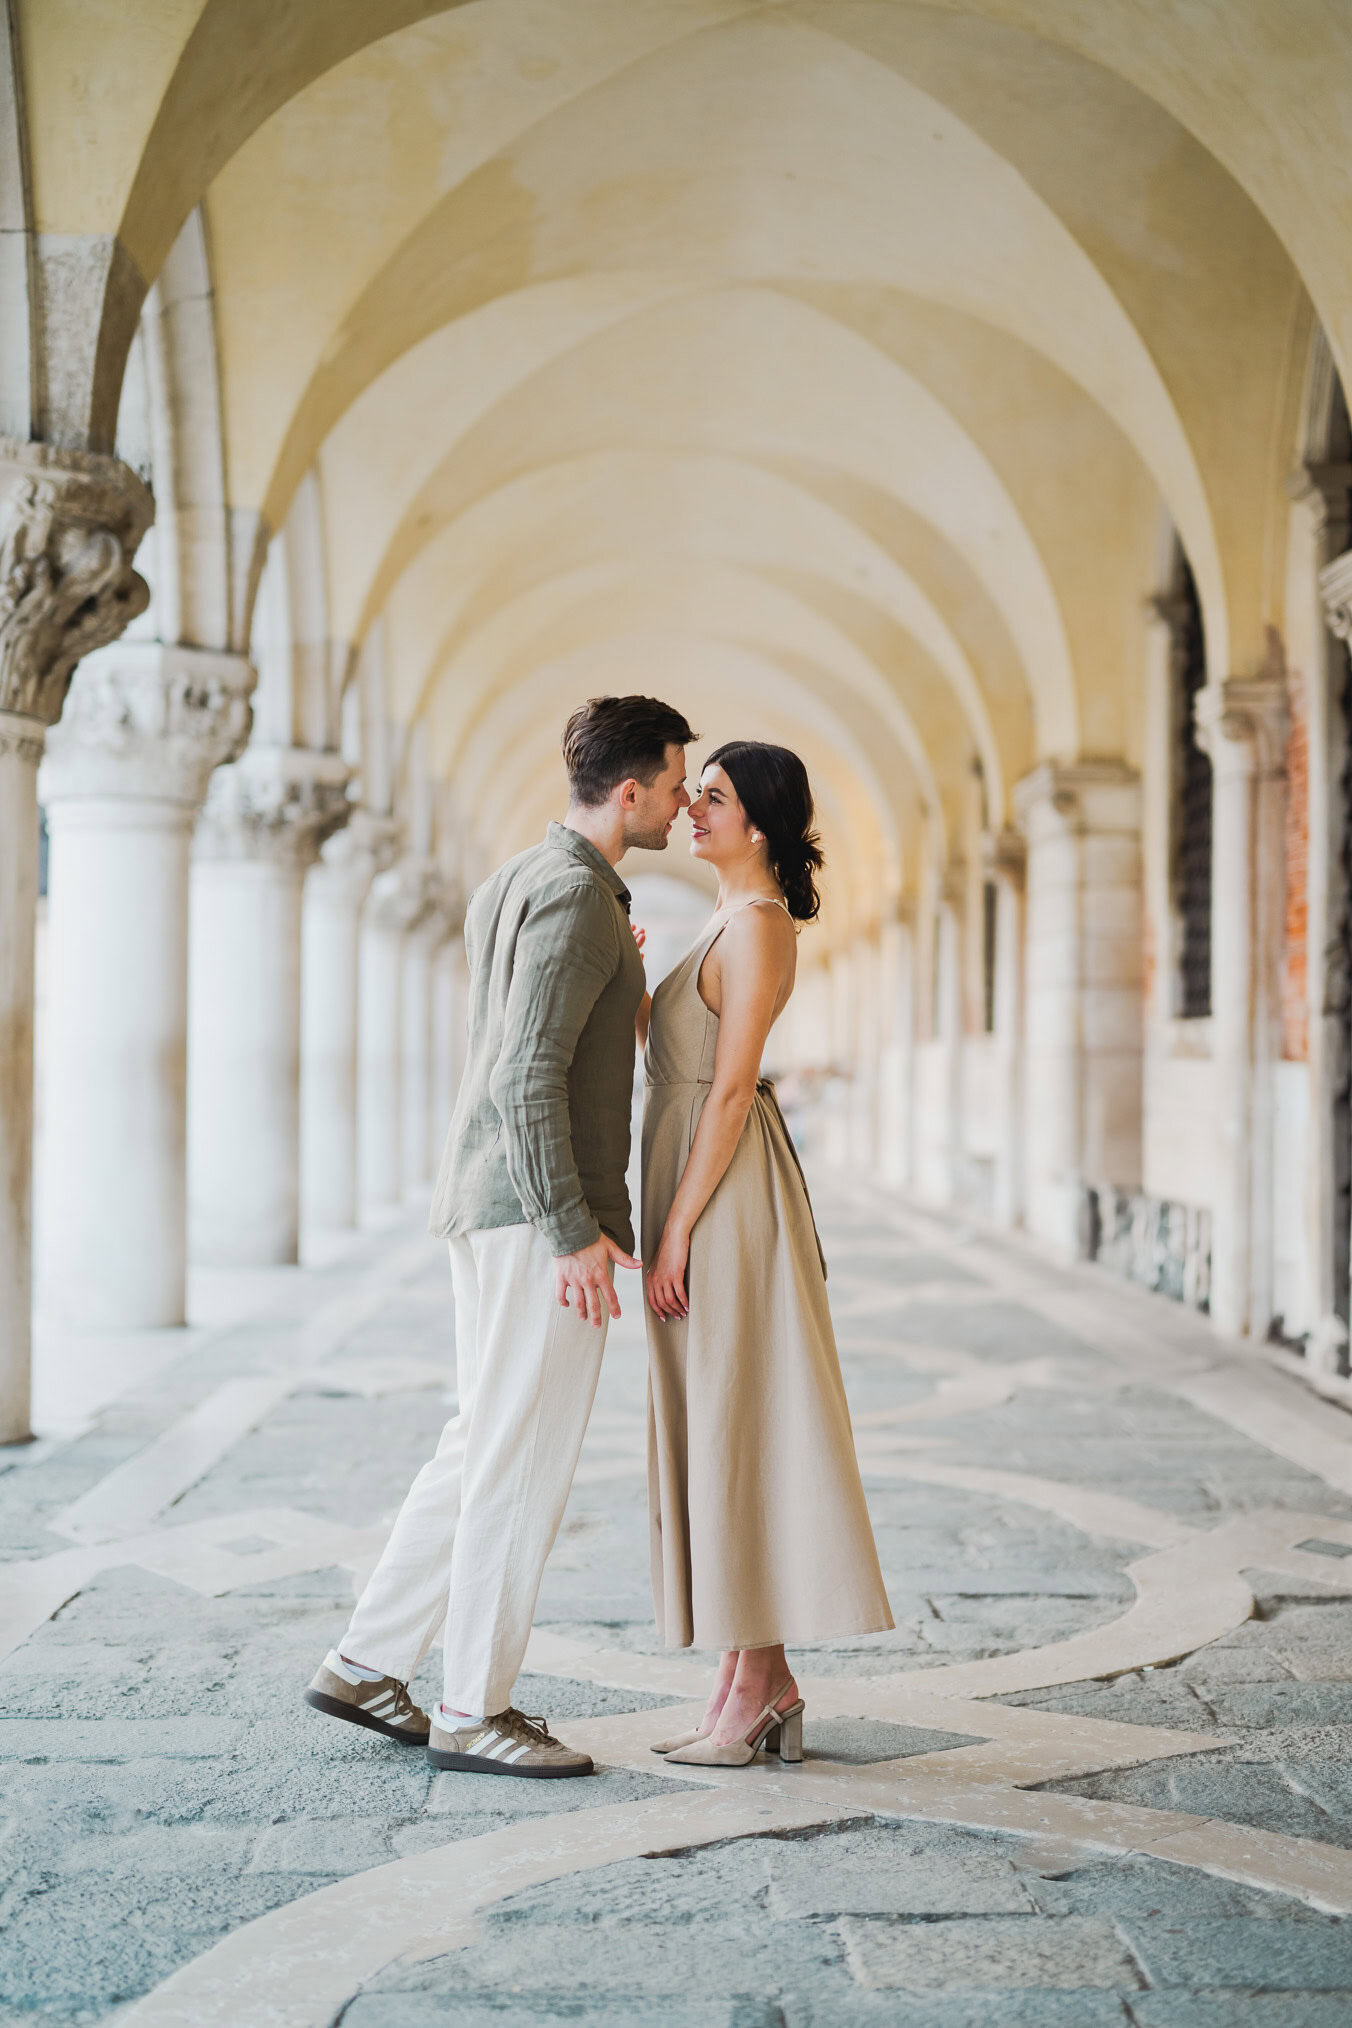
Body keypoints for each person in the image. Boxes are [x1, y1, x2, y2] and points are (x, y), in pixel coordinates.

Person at [305, 695, 695, 1778]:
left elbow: (536, 1049)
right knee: (518, 1461)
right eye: (671, 785)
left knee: (480, 1439)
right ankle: (475, 1706)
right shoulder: (574, 900)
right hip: (537, 1217)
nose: (676, 802)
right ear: (630, 792)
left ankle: (365, 1660)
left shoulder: (523, 881)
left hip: (489, 1201)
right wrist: (575, 1230)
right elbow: (525, 1071)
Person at [641, 741, 893, 1766]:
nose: (691, 808)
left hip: (724, 1195)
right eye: (692, 792)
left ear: (760, 823)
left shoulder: (756, 927)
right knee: (718, 1422)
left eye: (714, 797)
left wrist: (675, 1228)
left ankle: (755, 1683)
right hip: (702, 1182)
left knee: (737, 1420)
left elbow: (732, 1090)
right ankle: (754, 1675)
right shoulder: (721, 919)